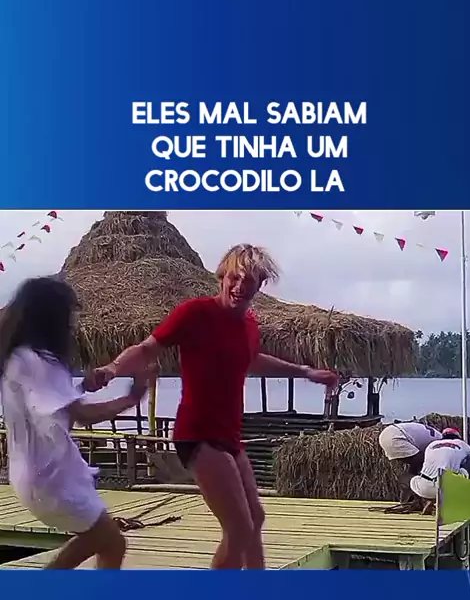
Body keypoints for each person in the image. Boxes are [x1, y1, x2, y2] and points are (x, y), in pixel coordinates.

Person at [97, 244, 339, 570]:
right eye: (234, 278)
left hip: (229, 436)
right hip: (198, 434)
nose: (239, 287)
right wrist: (113, 368)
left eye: (249, 280)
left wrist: (306, 372)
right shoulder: (195, 313)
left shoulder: (249, 325)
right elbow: (147, 348)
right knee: (238, 528)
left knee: (255, 518)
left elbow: (253, 360)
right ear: (222, 277)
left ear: (260, 284)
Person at [0, 277, 150, 569]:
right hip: (49, 478)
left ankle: (92, 597)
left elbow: (52, 414)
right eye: (68, 316)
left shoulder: (19, 359)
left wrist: (81, 388)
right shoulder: (39, 361)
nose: (71, 324)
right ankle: (42, 590)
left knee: (111, 543)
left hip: (34, 474)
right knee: (104, 539)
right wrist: (131, 398)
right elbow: (81, 416)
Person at [409, 428, 470, 513]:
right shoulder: (462, 444)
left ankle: (430, 501)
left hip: (425, 489)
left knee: (415, 479)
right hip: (449, 489)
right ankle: (455, 504)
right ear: (458, 436)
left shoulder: (431, 445)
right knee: (468, 468)